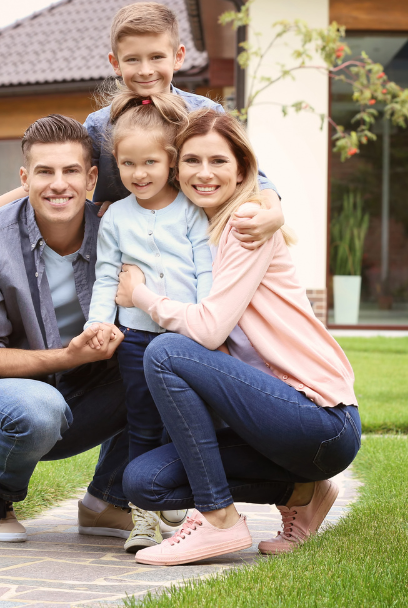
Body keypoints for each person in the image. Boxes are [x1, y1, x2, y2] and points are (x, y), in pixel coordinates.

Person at [112, 109, 361, 566]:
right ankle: (304, 491)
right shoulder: (201, 231)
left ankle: (218, 519)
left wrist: (141, 295)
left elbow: (207, 330)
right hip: (273, 426)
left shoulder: (246, 221)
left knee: (166, 351)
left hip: (320, 419)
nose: (203, 174)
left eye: (218, 161)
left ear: (243, 169)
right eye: (191, 161)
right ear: (175, 167)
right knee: (144, 481)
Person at [0, 1, 286, 270]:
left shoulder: (205, 116)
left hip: (196, 250)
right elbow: (53, 175)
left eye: (157, 57)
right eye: (132, 59)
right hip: (125, 254)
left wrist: (275, 213)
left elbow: (255, 179)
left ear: (178, 57)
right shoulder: (100, 125)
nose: (146, 69)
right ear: (115, 63)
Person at [0, 114, 134, 543]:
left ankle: (107, 500)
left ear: (90, 178)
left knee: (163, 362)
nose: (58, 184)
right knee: (39, 407)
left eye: (70, 171)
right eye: (45, 172)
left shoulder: (116, 231)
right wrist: (69, 356)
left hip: (81, 394)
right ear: (25, 178)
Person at [83, 88, 211, 553]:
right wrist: (98, 324)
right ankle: (142, 518)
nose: (139, 174)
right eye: (128, 165)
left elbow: (206, 273)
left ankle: (189, 509)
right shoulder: (115, 216)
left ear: (171, 163)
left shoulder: (193, 211)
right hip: (136, 338)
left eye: (150, 164)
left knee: (186, 422)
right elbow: (104, 278)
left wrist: (208, 323)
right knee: (140, 423)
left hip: (185, 338)